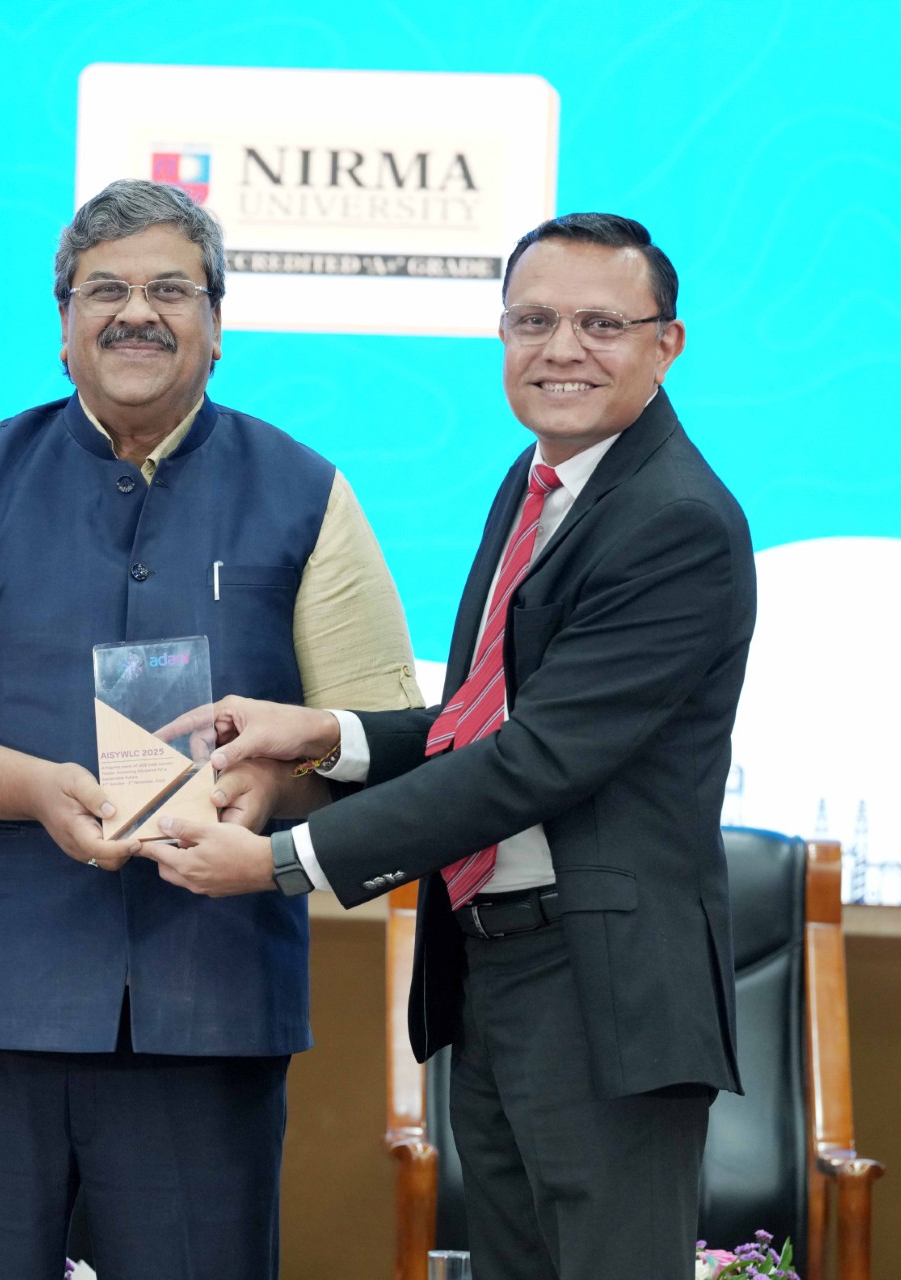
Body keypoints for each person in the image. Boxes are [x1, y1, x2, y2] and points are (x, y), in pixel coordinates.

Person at [148, 213, 755, 1280]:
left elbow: (536, 760)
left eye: (602, 324)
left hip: (603, 996)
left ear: (667, 344)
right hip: (494, 968)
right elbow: (483, 720)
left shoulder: (676, 520)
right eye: (534, 320)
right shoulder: (538, 484)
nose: (562, 349)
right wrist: (324, 733)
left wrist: (284, 862)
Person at [0, 179, 421, 1279]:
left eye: (170, 290)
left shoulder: (308, 494)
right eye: (104, 290)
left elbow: (383, 744)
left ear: (216, 324)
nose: (135, 312)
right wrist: (36, 790)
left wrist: (273, 788)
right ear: (64, 326)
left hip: (209, 1013)